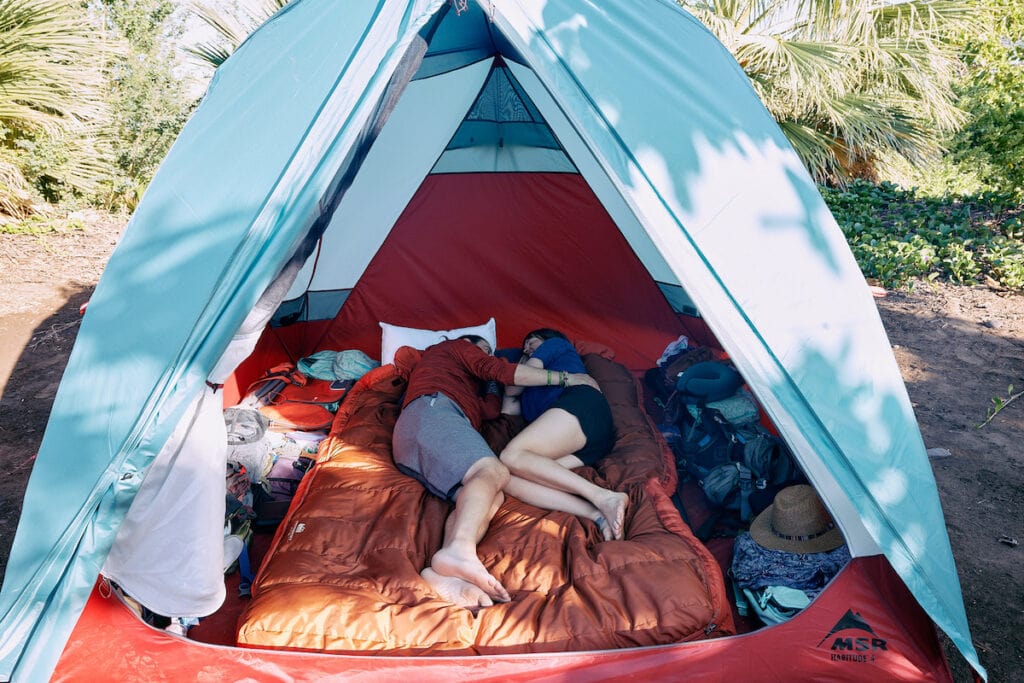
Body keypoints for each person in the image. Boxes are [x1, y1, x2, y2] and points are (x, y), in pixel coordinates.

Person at [392, 334, 601, 612]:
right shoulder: (453, 348)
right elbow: (498, 370)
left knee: (490, 493)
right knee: (491, 469)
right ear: (467, 343)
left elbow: (491, 410)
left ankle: (443, 574)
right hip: (430, 411)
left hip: (429, 432)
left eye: (490, 351)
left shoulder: (467, 385)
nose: (487, 354)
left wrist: (489, 384)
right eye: (484, 349)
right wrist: (566, 379)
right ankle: (461, 550)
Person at [499, 328, 628, 542]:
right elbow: (510, 397)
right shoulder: (531, 391)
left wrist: (523, 364)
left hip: (582, 407)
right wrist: (519, 364)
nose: (527, 347)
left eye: (531, 342)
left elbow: (518, 380)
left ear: (546, 338)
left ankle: (604, 496)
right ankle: (597, 515)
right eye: (524, 346)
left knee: (510, 456)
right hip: (586, 441)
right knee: (505, 477)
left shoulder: (556, 346)